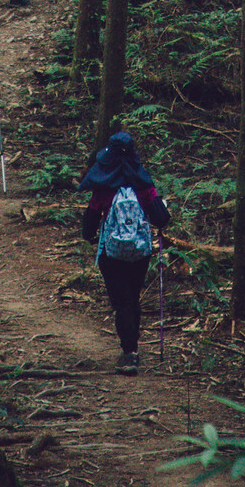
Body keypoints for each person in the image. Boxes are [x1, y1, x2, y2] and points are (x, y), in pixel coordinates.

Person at [79, 130, 171, 375]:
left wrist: (88, 235)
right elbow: (160, 218)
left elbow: (90, 221)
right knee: (132, 297)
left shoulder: (103, 188)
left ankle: (129, 352)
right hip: (140, 253)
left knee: (122, 303)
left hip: (111, 254)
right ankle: (133, 349)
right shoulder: (143, 186)